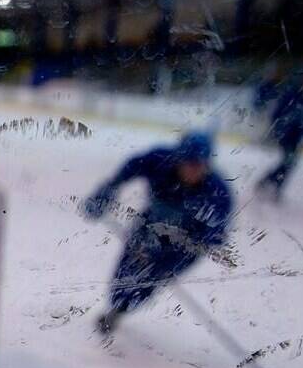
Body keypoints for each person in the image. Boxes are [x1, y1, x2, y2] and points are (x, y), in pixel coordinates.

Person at [81, 131, 233, 337]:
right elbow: (129, 169)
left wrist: (174, 259)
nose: (193, 171)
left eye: (199, 165)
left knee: (151, 279)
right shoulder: (158, 161)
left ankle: (120, 310)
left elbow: (215, 235)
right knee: (126, 270)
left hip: (185, 244)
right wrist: (106, 191)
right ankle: (116, 303)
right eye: (188, 163)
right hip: (150, 226)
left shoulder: (217, 193)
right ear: (178, 158)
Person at [255, 72, 303, 202]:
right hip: (286, 134)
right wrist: (276, 130)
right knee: (289, 161)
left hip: (298, 136)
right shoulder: (292, 95)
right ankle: (272, 184)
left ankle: (270, 183)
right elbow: (277, 113)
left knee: (290, 162)